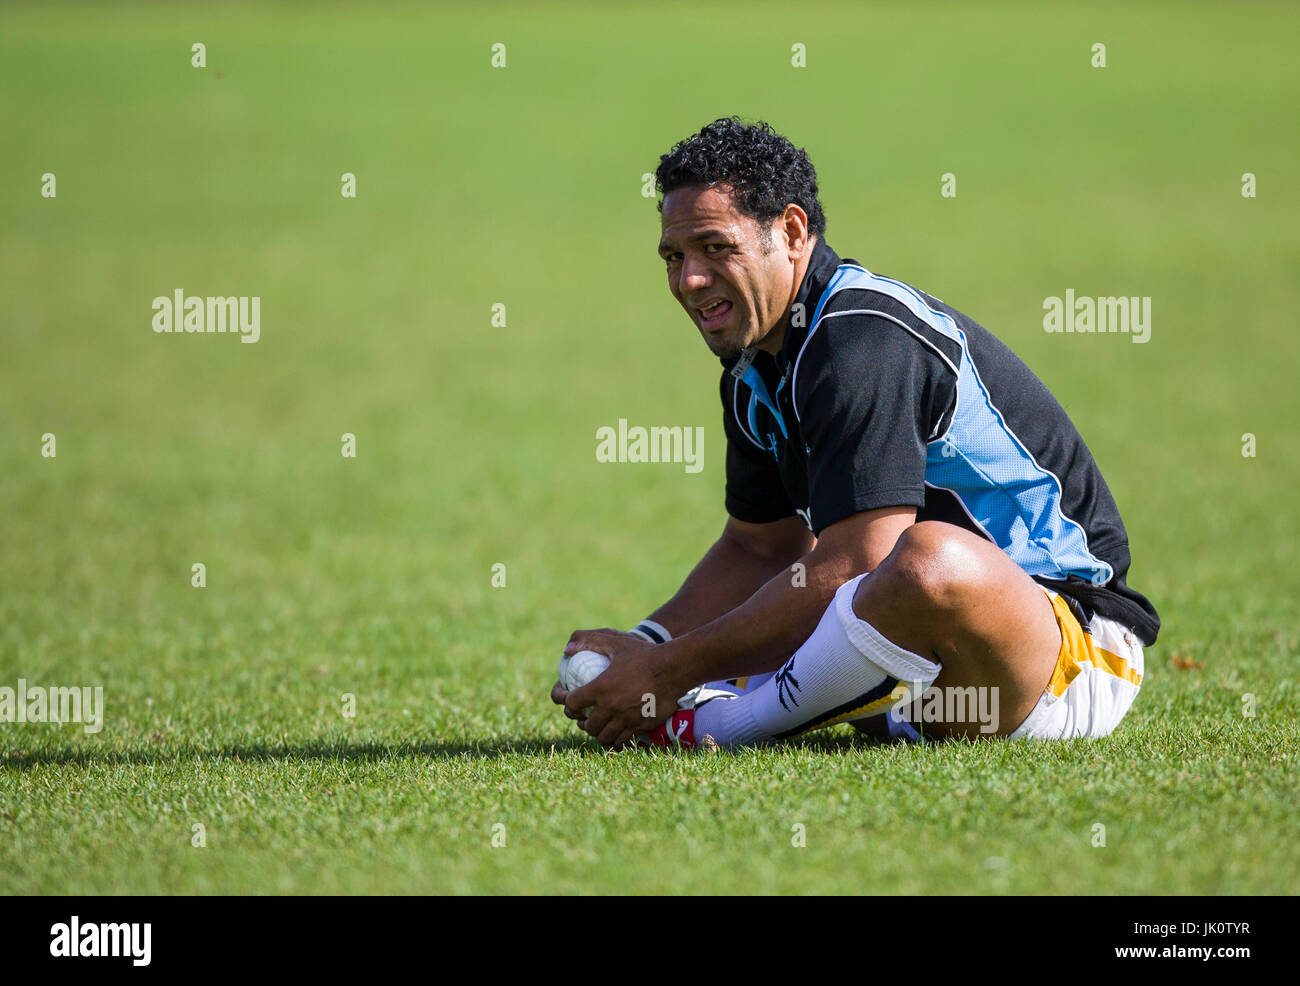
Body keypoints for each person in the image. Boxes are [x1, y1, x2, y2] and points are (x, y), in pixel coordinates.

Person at [550, 117, 1159, 749]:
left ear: (790, 232)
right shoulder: (752, 368)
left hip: (1072, 653)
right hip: (934, 661)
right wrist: (649, 643)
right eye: (674, 257)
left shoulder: (860, 339)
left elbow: (860, 561)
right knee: (849, 590)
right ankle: (844, 705)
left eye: (714, 247)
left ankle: (720, 724)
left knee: (928, 560)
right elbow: (759, 550)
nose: (689, 281)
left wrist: (668, 672)